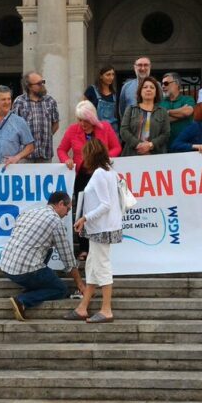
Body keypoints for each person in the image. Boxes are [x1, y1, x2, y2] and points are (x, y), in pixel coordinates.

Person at [2, 191, 85, 322]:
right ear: (60, 204)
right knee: (61, 289)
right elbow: (67, 258)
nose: (68, 213)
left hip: (6, 266)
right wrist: (80, 284)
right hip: (25, 272)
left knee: (48, 250)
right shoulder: (55, 222)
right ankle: (22, 301)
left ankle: (33, 286)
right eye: (68, 209)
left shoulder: (29, 212)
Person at [66, 139, 122, 324]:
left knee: (101, 265)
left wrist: (85, 217)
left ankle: (106, 309)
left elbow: (105, 204)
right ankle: (83, 306)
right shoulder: (110, 172)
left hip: (101, 227)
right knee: (92, 265)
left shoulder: (99, 174)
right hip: (105, 226)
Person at [57, 101, 121, 261]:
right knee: (83, 210)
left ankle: (100, 244)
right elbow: (61, 149)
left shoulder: (105, 127)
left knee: (101, 207)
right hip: (82, 176)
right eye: (79, 120)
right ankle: (84, 247)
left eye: (85, 120)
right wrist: (66, 160)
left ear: (92, 118)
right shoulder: (73, 130)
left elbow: (116, 147)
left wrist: (104, 158)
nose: (82, 124)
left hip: (100, 172)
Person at [12, 71, 60, 163]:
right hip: (25, 155)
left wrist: (46, 136)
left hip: (45, 153)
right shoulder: (19, 101)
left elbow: (55, 124)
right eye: (38, 83)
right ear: (29, 86)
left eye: (43, 82)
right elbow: (14, 126)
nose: (42, 85)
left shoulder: (50, 101)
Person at [120, 76, 171, 156]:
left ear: (156, 92)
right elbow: (124, 131)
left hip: (155, 155)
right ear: (140, 91)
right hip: (132, 155)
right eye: (145, 87)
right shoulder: (130, 109)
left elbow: (166, 134)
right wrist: (139, 145)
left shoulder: (163, 111)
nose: (148, 89)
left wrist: (150, 145)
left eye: (152, 87)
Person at [158, 72, 195, 145]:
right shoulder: (160, 103)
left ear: (176, 84)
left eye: (166, 83)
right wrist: (182, 115)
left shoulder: (188, 99)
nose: (163, 86)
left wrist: (167, 112)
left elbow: (187, 112)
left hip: (186, 145)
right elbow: (160, 120)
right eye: (162, 84)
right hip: (166, 146)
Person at [84, 66, 119, 134]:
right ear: (101, 76)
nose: (111, 77)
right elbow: (82, 109)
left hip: (112, 130)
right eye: (108, 74)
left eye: (113, 74)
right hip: (96, 128)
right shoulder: (91, 90)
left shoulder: (114, 94)